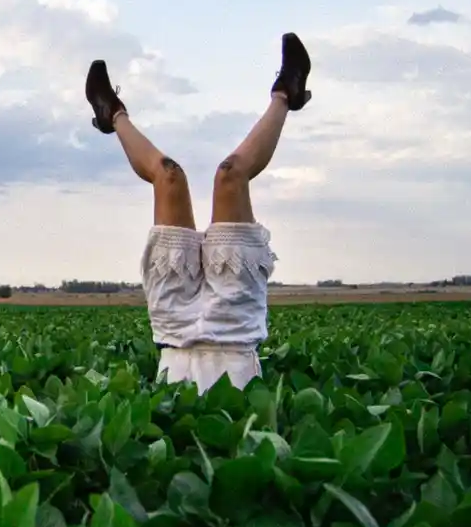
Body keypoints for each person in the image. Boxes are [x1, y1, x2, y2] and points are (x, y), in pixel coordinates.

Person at [84, 34, 311, 393]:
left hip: (175, 326)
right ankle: (286, 94)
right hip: (233, 326)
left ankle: (113, 114)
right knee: (230, 174)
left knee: (168, 176)